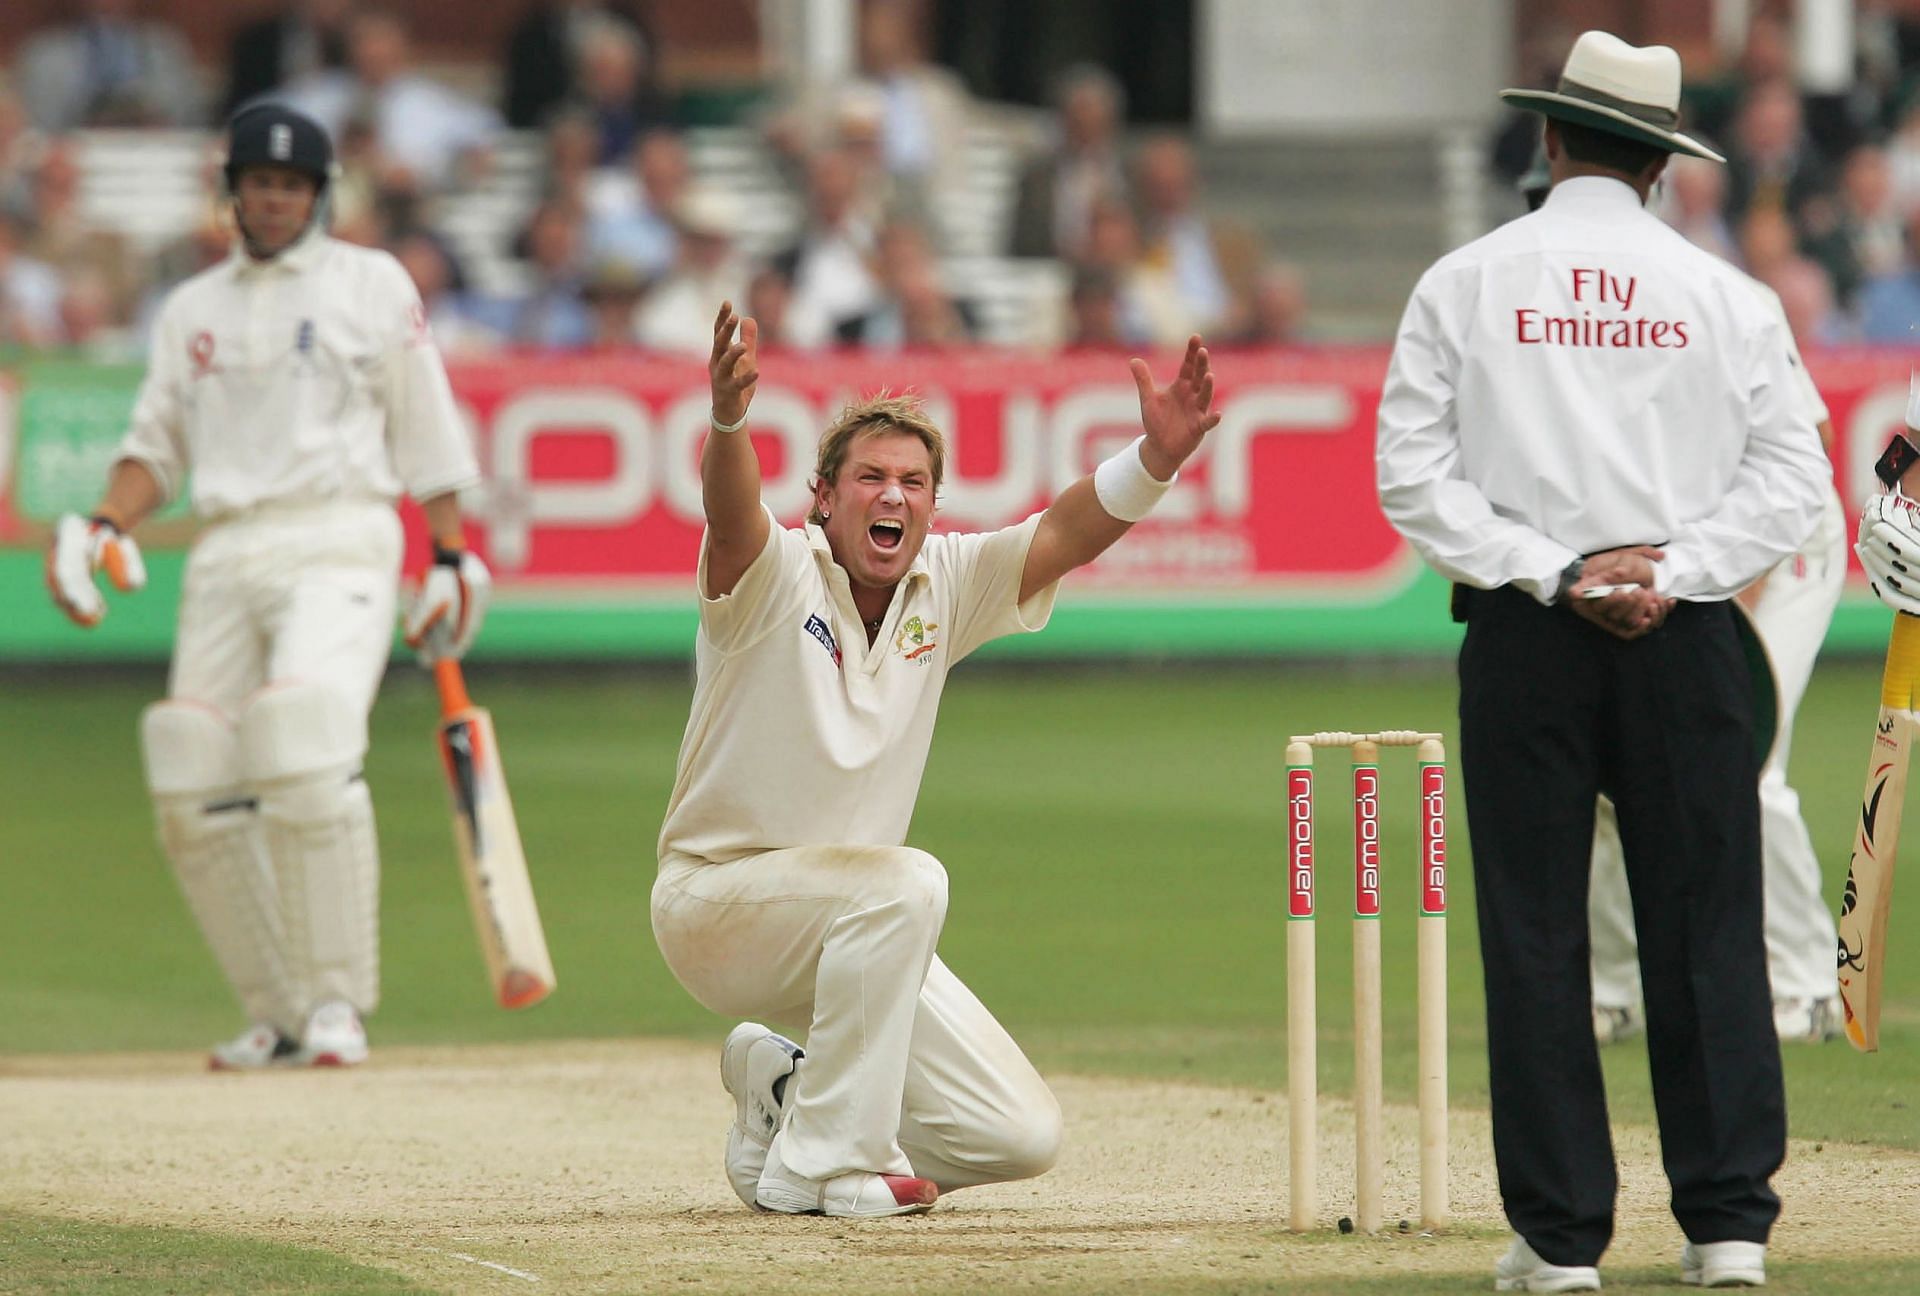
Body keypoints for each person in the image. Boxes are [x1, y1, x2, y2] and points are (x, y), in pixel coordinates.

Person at [1376, 31, 1831, 1292]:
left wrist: (1554, 572)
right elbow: (1795, 481)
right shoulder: (1728, 295)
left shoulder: (1466, 279)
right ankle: (1729, 1226)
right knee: (1710, 928)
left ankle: (1561, 1241)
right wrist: (1670, 573)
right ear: (1660, 164)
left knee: (1535, 930)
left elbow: (1411, 478)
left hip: (1528, 637)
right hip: (1686, 641)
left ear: (1553, 137)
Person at [652, 302, 1219, 1217]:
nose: (893, 496)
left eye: (914, 482)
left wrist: (1156, 461)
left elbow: (1066, 530)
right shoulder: (774, 575)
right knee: (908, 880)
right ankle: (818, 1169)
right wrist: (727, 420)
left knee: (1014, 1133)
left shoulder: (945, 584)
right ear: (824, 498)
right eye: (869, 478)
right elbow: (728, 512)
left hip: (858, 927)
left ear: (931, 503)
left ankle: (786, 1097)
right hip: (716, 905)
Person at [44, 104, 488, 1071]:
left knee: (299, 735)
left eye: (290, 185)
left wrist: (450, 552)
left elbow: (425, 425)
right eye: (258, 184)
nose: (274, 199)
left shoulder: (370, 284)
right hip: (228, 545)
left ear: (318, 195)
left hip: (341, 533)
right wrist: (103, 523)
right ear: (232, 193)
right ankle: (277, 1010)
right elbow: (153, 448)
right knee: (188, 763)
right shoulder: (192, 309)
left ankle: (337, 1005)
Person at [1516, 155, 1849, 1049]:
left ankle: (1810, 983)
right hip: (1667, 561)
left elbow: (1805, 449)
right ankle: (1617, 990)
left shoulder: (1704, 291)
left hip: (1777, 546)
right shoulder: (1531, 317)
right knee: (1604, 781)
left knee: (1748, 765)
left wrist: (1712, 588)